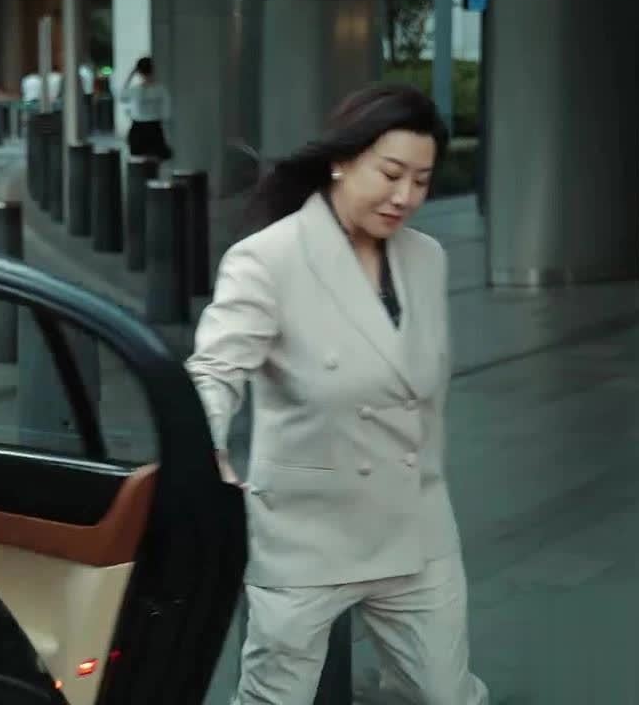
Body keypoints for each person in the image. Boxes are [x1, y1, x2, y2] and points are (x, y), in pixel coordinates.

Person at [184, 83, 489, 705]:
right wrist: (204, 449)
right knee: (276, 698)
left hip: (416, 524)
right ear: (342, 161)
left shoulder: (426, 257)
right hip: (307, 530)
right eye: (391, 174)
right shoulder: (268, 259)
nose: (405, 197)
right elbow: (215, 369)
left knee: (446, 694)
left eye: (422, 181)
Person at [116, 56, 172, 161]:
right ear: (153, 70)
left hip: (138, 126)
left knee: (139, 160)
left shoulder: (135, 90)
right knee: (154, 159)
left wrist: (130, 75)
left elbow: (121, 96)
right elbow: (166, 113)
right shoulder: (160, 89)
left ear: (139, 73)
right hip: (154, 126)